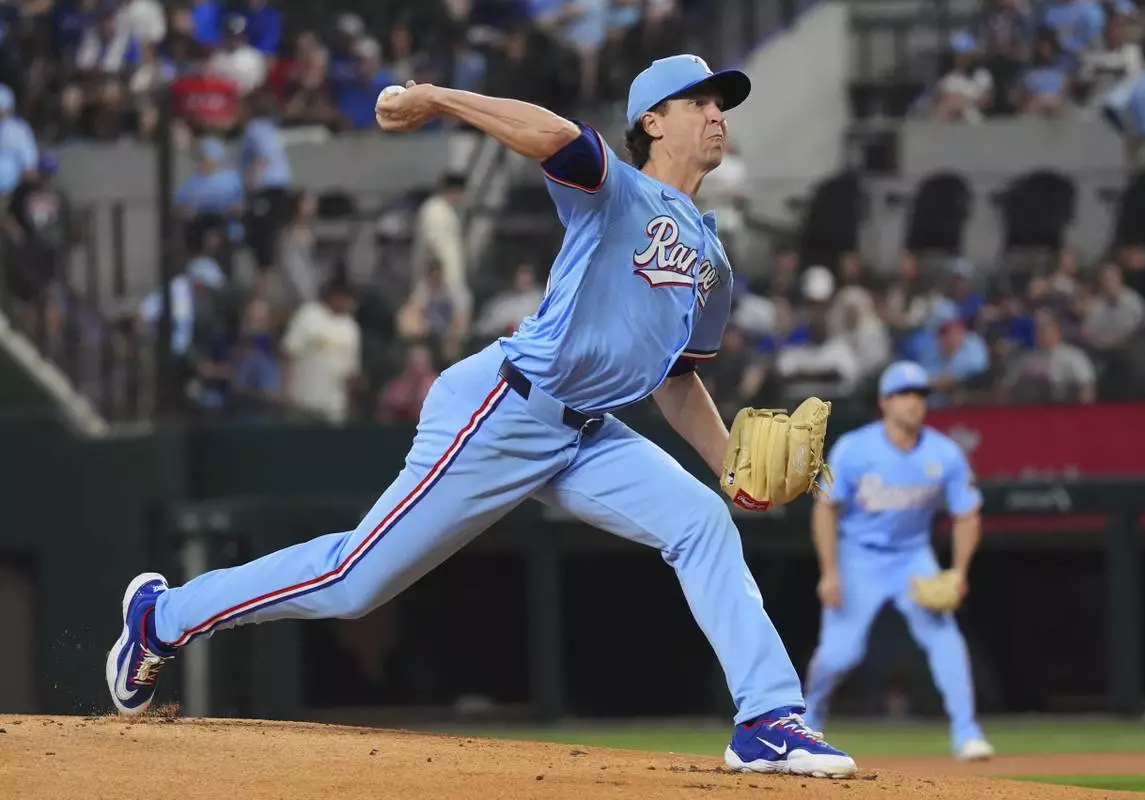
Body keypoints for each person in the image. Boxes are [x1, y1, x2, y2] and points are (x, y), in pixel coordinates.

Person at [105, 53, 857, 778]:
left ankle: (768, 718)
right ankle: (163, 618)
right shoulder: (614, 189)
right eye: (700, 102)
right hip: (507, 408)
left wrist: (728, 467)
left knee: (702, 522)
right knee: (355, 581)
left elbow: (677, 379)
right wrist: (436, 98)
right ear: (653, 122)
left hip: (590, 434)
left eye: (722, 104)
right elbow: (553, 134)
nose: (718, 115)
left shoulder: (713, 261)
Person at [803, 361, 994, 762]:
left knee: (945, 639)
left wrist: (959, 571)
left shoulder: (944, 453)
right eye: (904, 394)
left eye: (920, 394)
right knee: (839, 654)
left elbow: (967, 514)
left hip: (912, 556)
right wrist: (829, 571)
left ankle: (967, 732)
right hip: (858, 556)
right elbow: (825, 509)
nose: (914, 402)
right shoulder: (855, 448)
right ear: (884, 402)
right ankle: (810, 718)